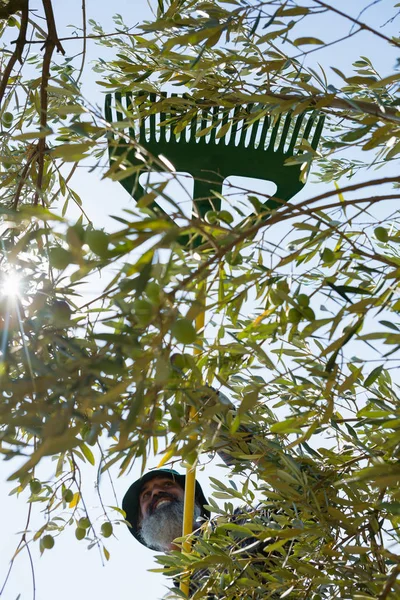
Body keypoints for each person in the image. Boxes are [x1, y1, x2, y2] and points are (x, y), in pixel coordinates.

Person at [122, 468, 210, 552]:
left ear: (193, 499)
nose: (156, 491)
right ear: (139, 523)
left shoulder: (222, 531)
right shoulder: (177, 568)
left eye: (168, 484)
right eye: (146, 494)